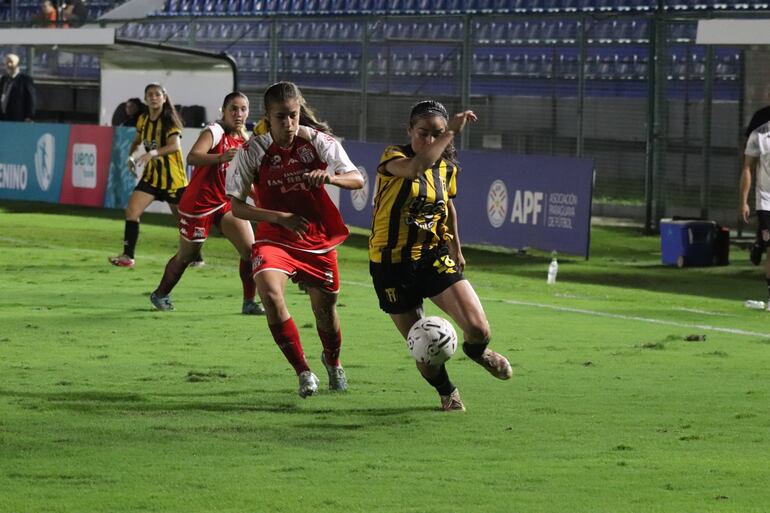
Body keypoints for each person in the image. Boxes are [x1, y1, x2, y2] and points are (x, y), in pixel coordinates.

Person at [368, 100, 512, 412]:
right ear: (409, 130)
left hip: (431, 255)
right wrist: (451, 133)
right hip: (390, 266)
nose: (430, 141)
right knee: (425, 347)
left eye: (437, 134)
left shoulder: (446, 169)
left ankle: (479, 353)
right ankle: (447, 392)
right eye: (423, 133)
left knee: (479, 329)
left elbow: (448, 206)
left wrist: (456, 248)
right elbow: (417, 167)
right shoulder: (394, 157)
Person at [225, 81, 364, 398]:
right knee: (270, 295)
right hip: (276, 238)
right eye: (280, 117)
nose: (288, 123)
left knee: (325, 312)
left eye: (293, 115)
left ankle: (333, 363)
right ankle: (303, 372)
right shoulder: (253, 151)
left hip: (317, 239)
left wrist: (330, 177)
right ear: (267, 117)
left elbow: (356, 178)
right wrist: (278, 217)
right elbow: (236, 207)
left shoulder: (317, 142)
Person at [149, 91, 265, 316]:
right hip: (198, 205)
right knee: (188, 256)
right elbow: (193, 156)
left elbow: (239, 174)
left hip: (224, 202)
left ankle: (249, 302)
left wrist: (255, 195)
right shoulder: (215, 130)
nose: (238, 114)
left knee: (250, 251)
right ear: (223, 110)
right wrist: (220, 157)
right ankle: (160, 294)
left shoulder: (243, 138)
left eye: (243, 109)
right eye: (233, 108)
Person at [109, 83, 187, 268]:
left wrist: (151, 154)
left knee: (183, 221)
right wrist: (131, 156)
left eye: (157, 94)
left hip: (172, 180)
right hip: (151, 177)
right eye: (150, 94)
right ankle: (128, 256)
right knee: (132, 212)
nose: (153, 97)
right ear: (145, 99)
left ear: (164, 98)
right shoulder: (143, 119)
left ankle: (194, 255)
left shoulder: (170, 121)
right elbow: (137, 141)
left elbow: (174, 146)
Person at [739, 120, 770, 307]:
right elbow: (747, 168)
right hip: (767, 201)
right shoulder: (759, 134)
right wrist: (743, 201)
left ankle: (758, 243)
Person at [0, 53, 35, 122]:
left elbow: (31, 99)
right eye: (6, 62)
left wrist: (29, 116)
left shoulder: (26, 79)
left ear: (17, 64)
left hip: (17, 117)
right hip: (3, 117)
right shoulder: (4, 79)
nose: (8, 65)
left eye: (11, 62)